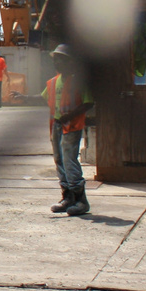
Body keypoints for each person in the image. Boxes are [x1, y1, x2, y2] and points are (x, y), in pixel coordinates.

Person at [42, 44, 95, 217]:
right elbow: (43, 97)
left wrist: (70, 115)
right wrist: (24, 98)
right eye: (55, 59)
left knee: (69, 160)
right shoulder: (53, 81)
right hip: (56, 125)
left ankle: (81, 200)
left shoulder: (78, 81)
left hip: (71, 126)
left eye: (60, 59)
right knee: (59, 160)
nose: (57, 62)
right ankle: (68, 197)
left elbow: (88, 103)